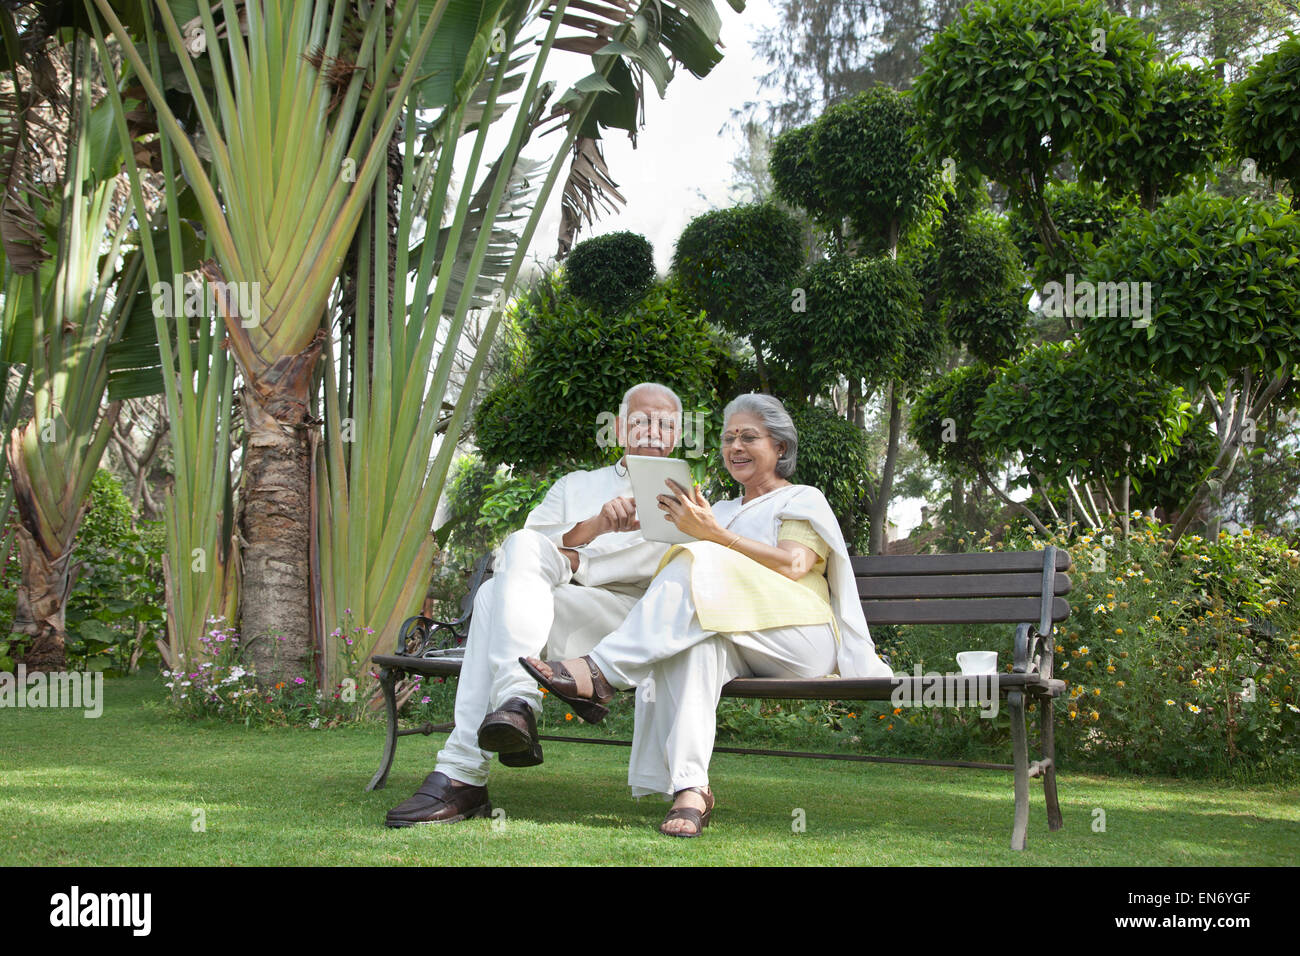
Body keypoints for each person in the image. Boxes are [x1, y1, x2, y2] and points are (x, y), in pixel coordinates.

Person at [523, 393, 892, 837]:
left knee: (696, 556)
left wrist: (713, 537)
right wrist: (651, 523)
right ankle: (691, 790)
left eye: (749, 437)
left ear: (780, 447)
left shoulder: (801, 498)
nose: (735, 446)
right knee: (692, 644)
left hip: (800, 637)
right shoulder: (718, 510)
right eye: (729, 437)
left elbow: (794, 565)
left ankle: (600, 671)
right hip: (739, 634)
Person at [384, 383, 682, 826]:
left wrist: (580, 557)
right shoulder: (576, 485)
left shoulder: (688, 498)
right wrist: (595, 524)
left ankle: (466, 770)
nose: (653, 430)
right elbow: (519, 554)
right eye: (642, 419)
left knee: (492, 597)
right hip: (547, 615)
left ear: (677, 435)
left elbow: (671, 566)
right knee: (507, 569)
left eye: (665, 423)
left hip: (625, 624)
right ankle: (516, 703)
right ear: (620, 428)